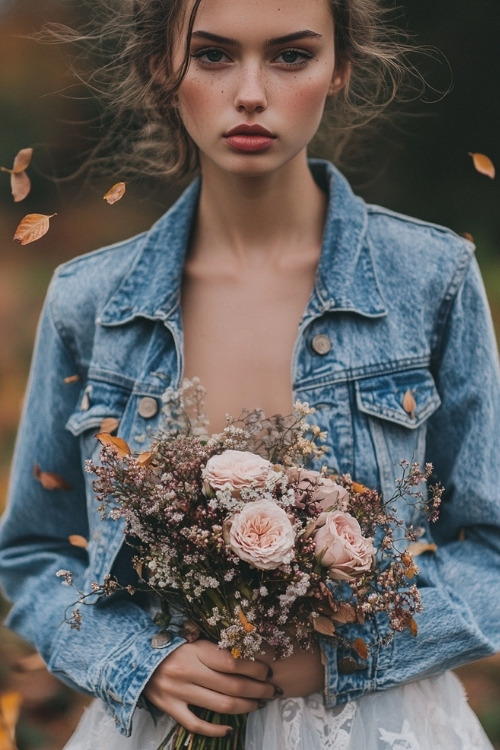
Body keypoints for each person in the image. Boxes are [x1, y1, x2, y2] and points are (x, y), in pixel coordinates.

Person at [0, 0, 499, 748]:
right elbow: (35, 553)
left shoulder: (431, 280)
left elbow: (490, 549)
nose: (252, 92)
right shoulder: (90, 302)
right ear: (161, 67)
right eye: (213, 55)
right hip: (157, 727)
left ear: (341, 69)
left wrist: (337, 655)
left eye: (292, 56)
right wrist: (143, 660)